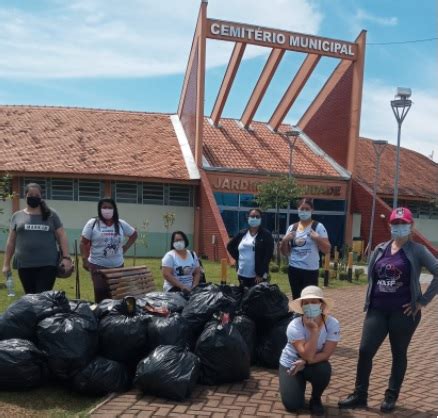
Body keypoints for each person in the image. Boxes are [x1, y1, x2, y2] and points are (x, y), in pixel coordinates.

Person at [338, 207, 438, 413]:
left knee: (398, 353)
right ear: (390, 225)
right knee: (365, 351)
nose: (399, 227)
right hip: (377, 310)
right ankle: (359, 395)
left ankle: (391, 397)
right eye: (395, 223)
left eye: (403, 224)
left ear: (411, 226)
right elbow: (372, 276)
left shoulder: (417, 250)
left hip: (404, 313)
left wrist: (422, 301)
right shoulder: (380, 249)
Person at [279, 285, 340, 415]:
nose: (309, 305)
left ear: (322, 305)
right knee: (293, 405)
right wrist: (314, 331)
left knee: (324, 369)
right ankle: (295, 385)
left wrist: (305, 362)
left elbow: (326, 354)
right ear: (301, 307)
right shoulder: (294, 325)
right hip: (291, 363)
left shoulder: (332, 324)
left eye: (314, 302)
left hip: (312, 363)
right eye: (305, 303)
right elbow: (306, 354)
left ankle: (316, 398)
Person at [2, 182, 73, 294]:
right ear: (25, 196)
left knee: (42, 297)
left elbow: (62, 235)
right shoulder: (17, 216)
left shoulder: (51, 215)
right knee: (30, 296)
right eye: (31, 195)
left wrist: (66, 257)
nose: (33, 197)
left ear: (41, 197)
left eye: (37, 195)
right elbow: (11, 242)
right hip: (24, 265)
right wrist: (6, 264)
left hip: (47, 265)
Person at [80, 197, 137, 303]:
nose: (107, 210)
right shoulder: (93, 223)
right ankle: (100, 315)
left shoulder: (120, 224)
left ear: (114, 209)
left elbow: (134, 234)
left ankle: (111, 316)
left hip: (117, 266)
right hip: (97, 265)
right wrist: (84, 259)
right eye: (104, 207)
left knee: (114, 294)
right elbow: (83, 242)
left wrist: (125, 247)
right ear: (99, 209)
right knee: (100, 292)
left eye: (110, 207)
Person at [280, 198, 331, 300]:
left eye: (307, 209)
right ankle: (298, 316)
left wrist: (317, 238)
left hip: (310, 270)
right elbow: (285, 252)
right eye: (301, 209)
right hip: (294, 269)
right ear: (298, 210)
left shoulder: (318, 227)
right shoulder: (292, 227)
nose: (304, 211)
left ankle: (309, 316)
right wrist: (284, 240)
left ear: (312, 210)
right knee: (296, 298)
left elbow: (327, 249)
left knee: (309, 299)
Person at [226, 208, 274, 287]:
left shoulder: (266, 235)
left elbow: (268, 256)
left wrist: (261, 274)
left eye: (257, 217)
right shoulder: (242, 233)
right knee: (243, 297)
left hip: (257, 276)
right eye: (252, 216)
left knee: (255, 298)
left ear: (261, 219)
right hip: (242, 273)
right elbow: (229, 246)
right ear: (248, 217)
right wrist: (238, 258)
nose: (254, 218)